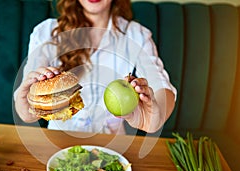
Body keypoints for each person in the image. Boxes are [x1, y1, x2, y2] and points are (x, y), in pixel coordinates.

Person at [14, 0, 176, 134]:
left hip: (112, 148)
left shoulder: (136, 35)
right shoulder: (46, 32)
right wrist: (27, 106)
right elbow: (29, 102)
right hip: (58, 144)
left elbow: (161, 85)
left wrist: (155, 119)